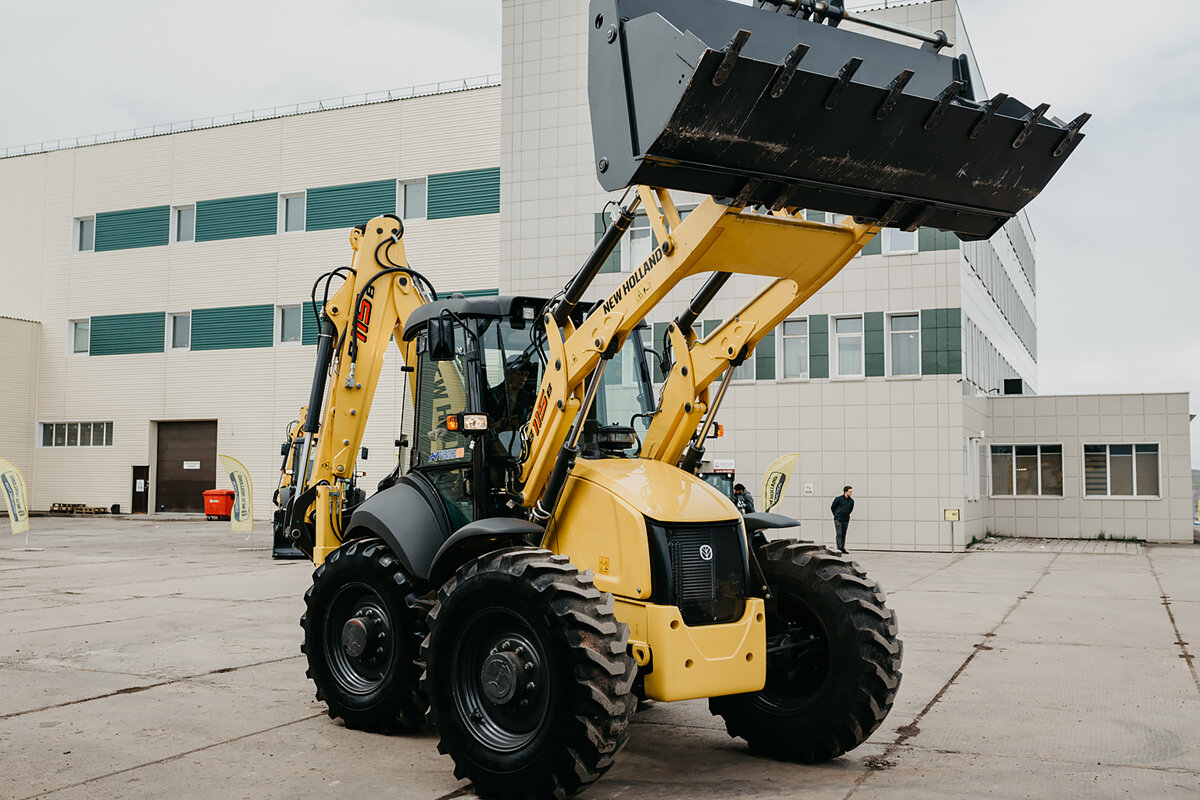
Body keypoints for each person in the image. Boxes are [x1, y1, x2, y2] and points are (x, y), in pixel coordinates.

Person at [830, 485, 854, 554]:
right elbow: (833, 507)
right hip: (838, 519)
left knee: (844, 534)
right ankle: (839, 548)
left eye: (851, 492)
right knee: (839, 533)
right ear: (845, 492)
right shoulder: (838, 499)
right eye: (850, 492)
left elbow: (850, 509)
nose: (851, 493)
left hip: (846, 519)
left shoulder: (851, 501)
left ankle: (842, 548)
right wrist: (836, 514)